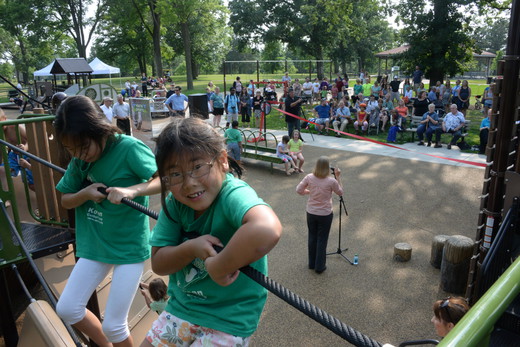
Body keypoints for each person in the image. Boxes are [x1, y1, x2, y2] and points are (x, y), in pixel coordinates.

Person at [142, 117, 282, 346]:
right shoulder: (176, 204)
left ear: (223, 161)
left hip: (229, 316)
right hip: (183, 307)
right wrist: (191, 249)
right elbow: (158, 263)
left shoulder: (232, 194)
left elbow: (267, 229)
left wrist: (220, 265)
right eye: (175, 174)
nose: (188, 183)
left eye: (197, 167)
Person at [54, 95, 160, 347]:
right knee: (68, 309)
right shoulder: (80, 161)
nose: (79, 155)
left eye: (83, 147)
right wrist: (85, 193)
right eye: (71, 150)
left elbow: (163, 180)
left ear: (99, 129)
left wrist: (132, 190)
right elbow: (66, 200)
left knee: (114, 325)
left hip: (128, 246)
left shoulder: (128, 148)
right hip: (96, 244)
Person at [296, 156, 343, 274]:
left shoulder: (309, 177)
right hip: (325, 213)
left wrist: (308, 192)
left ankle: (311, 263)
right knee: (322, 239)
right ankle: (319, 266)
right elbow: (340, 192)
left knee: (312, 237)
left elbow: (298, 190)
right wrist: (338, 176)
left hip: (311, 212)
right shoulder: (331, 181)